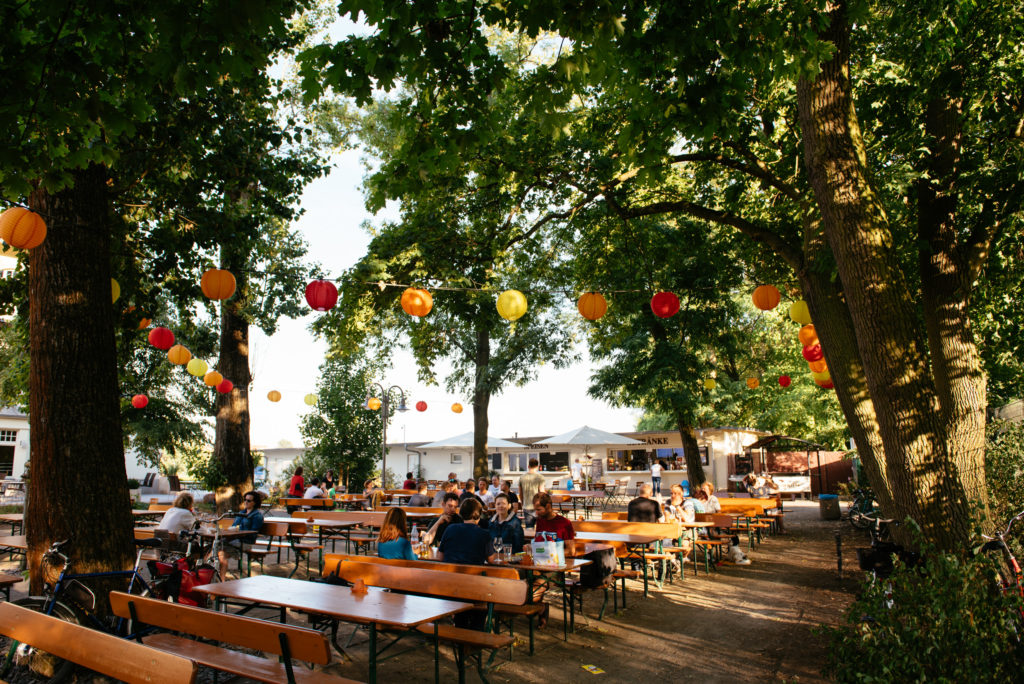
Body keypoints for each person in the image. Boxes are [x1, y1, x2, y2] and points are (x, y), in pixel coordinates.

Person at [217, 491, 265, 578]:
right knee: (213, 546)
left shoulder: (257, 515)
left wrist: (239, 534)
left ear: (255, 503)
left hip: (245, 542)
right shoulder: (241, 512)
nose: (246, 502)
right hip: (234, 540)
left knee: (221, 553)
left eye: (249, 501)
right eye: (245, 500)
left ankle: (221, 579)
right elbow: (234, 526)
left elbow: (253, 533)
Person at [437, 498, 499, 565]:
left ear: (461, 513)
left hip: (449, 573)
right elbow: (491, 560)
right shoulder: (484, 534)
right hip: (473, 573)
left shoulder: (450, 528)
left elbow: (440, 557)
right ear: (479, 515)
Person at [518, 458, 546, 527]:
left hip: (526, 506)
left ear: (528, 466)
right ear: (537, 466)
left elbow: (520, 493)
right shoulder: (540, 477)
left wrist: (522, 503)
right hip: (538, 506)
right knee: (541, 528)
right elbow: (542, 492)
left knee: (529, 528)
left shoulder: (522, 477)